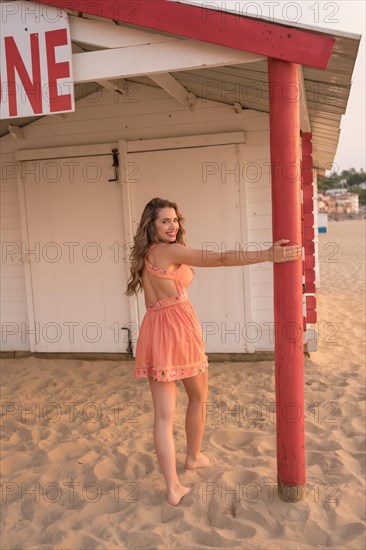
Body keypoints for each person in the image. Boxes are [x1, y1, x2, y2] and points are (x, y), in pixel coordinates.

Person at [125, 197, 301, 506]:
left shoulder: (145, 255)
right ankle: (192, 457)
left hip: (154, 328)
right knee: (198, 397)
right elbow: (220, 258)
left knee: (164, 416)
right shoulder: (170, 251)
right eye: (164, 221)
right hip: (178, 330)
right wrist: (269, 254)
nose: (172, 225)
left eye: (175, 219)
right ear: (150, 225)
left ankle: (174, 485)